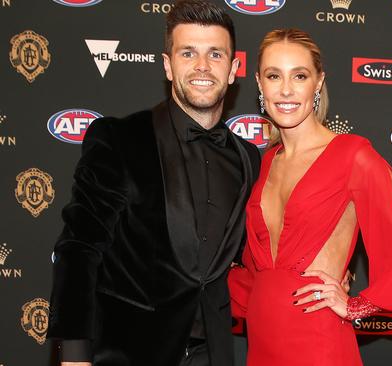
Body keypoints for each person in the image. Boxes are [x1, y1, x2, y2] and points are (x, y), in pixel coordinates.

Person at [46, 1, 260, 365]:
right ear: (167, 65)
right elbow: (79, 247)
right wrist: (74, 353)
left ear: (233, 70)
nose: (202, 67)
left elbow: (252, 252)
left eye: (215, 54)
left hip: (215, 354)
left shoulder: (248, 157)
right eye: (188, 52)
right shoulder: (119, 138)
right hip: (128, 353)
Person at [228, 29, 392, 365]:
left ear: (318, 83)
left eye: (299, 76)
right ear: (259, 83)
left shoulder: (351, 156)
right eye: (274, 76)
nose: (286, 89)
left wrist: (357, 305)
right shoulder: (264, 163)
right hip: (262, 343)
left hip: (317, 341)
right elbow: (255, 273)